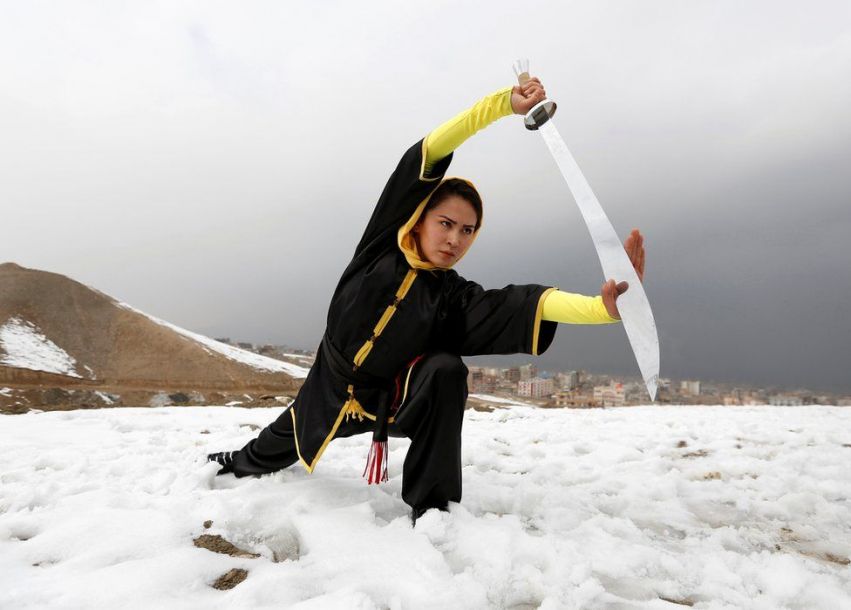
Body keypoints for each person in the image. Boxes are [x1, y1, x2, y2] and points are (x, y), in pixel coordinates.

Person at [208, 76, 646, 525]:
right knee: (267, 449)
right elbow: (431, 150)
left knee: (445, 368)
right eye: (446, 223)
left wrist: (602, 310)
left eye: (467, 230)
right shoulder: (381, 243)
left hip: (393, 402)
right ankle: (234, 461)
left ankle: (432, 509)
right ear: (419, 219)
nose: (455, 239)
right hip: (328, 389)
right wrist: (501, 106)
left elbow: (525, 303)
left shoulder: (452, 297)